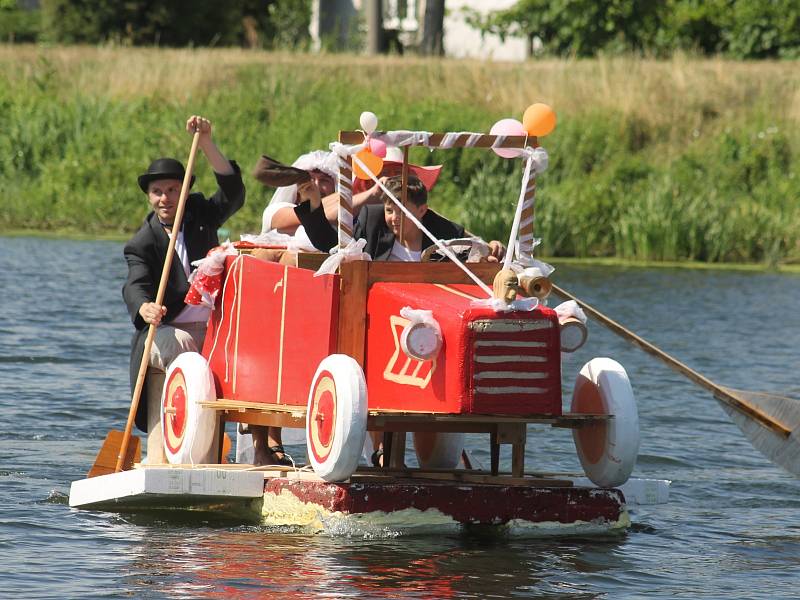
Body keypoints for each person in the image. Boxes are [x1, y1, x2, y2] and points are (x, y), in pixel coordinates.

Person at [294, 174, 505, 466]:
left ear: (422, 210)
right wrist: (314, 205)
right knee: (379, 352)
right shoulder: (371, 220)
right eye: (390, 209)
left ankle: (449, 444)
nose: (392, 218)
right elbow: (330, 243)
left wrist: (490, 255)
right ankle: (382, 450)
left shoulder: (446, 234)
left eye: (401, 211)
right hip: (377, 322)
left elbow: (475, 266)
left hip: (429, 330)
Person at [122, 115, 245, 465]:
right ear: (149, 197)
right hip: (164, 330)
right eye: (158, 192)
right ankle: (173, 455)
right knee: (185, 348)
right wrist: (145, 307)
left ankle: (209, 457)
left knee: (227, 352)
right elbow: (135, 283)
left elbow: (234, 194)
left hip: (213, 326)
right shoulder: (142, 243)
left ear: (185, 190)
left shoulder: (201, 214)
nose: (166, 198)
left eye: (173, 190)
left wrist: (206, 141)